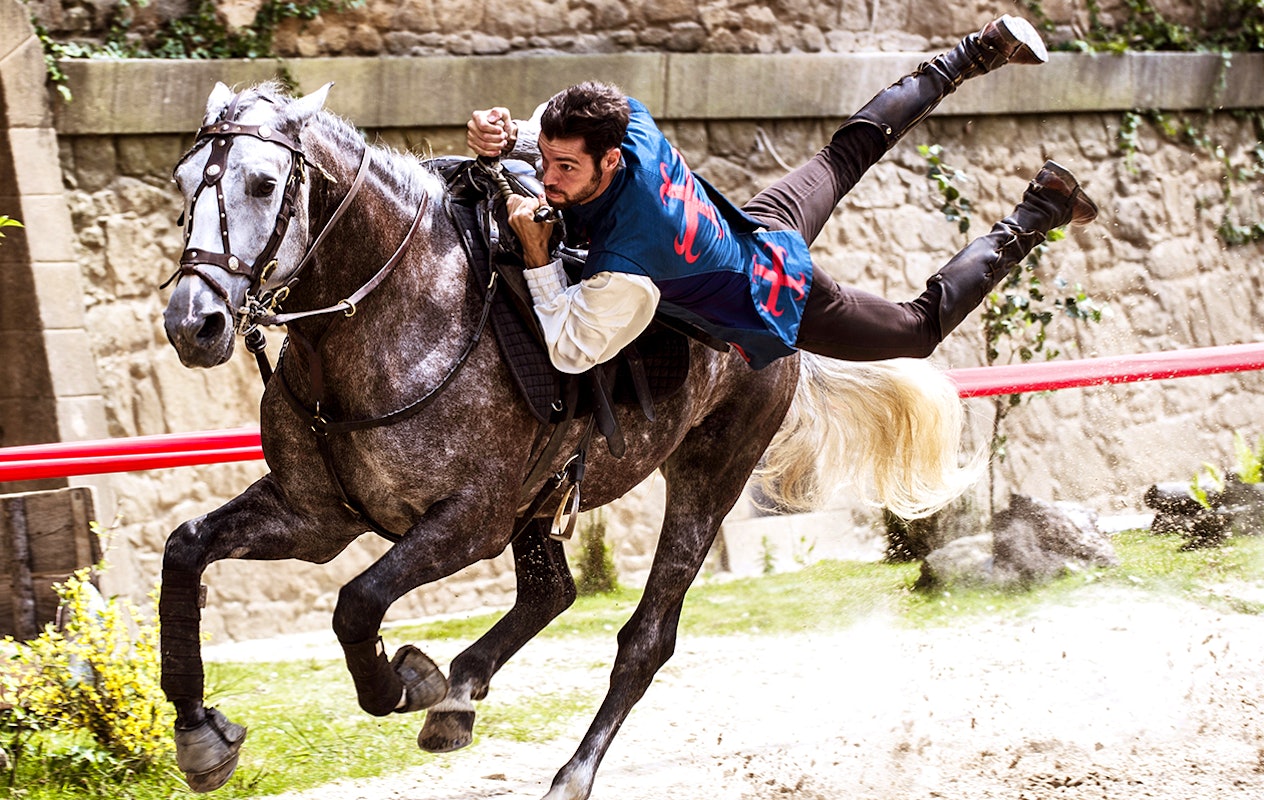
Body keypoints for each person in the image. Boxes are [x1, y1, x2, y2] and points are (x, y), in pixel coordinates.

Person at [466, 14, 1098, 374]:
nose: (548, 178)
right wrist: (512, 136)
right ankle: (978, 48)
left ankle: (1040, 208)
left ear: (610, 158)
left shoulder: (628, 266)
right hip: (758, 224)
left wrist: (539, 258)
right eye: (546, 160)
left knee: (918, 331)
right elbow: (559, 125)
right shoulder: (625, 117)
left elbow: (574, 353)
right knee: (846, 153)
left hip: (781, 297)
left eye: (565, 169)